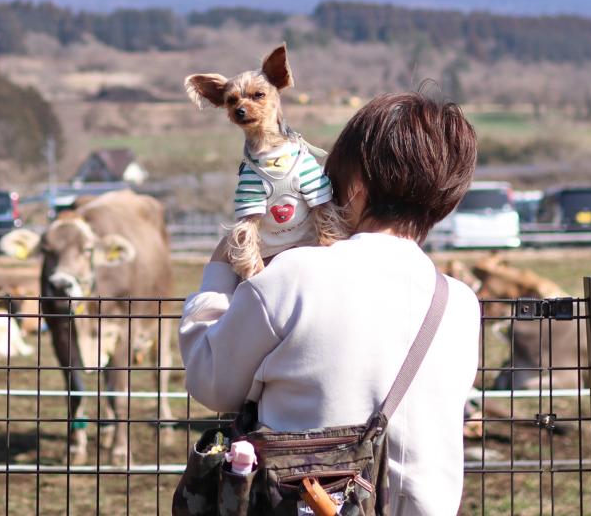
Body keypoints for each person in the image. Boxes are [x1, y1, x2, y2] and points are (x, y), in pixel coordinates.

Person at [179, 91, 480, 516]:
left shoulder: (294, 276)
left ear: (355, 185)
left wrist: (220, 271)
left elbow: (211, 382)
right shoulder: (460, 303)